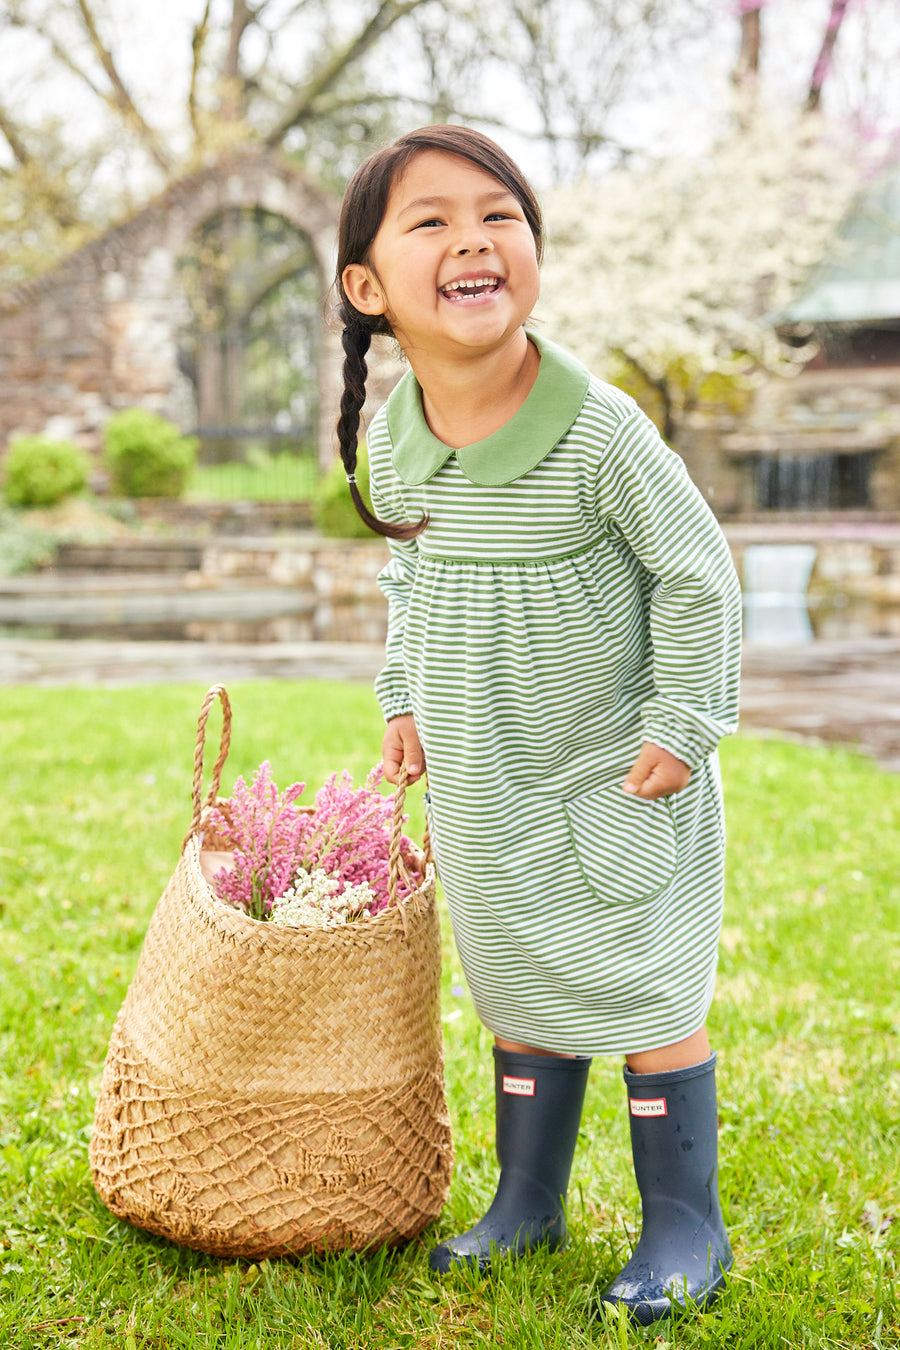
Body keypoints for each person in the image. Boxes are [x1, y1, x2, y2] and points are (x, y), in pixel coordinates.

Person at [333, 124, 742, 1325]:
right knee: (513, 975)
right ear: (369, 289)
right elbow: (415, 579)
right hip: (485, 773)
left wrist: (684, 715)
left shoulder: (597, 430)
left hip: (611, 774)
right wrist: (404, 695)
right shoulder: (394, 434)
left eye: (498, 214)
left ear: (534, 248)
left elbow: (698, 574)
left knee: (644, 986)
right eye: (431, 222)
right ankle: (527, 1200)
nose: (473, 238)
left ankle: (683, 1221)